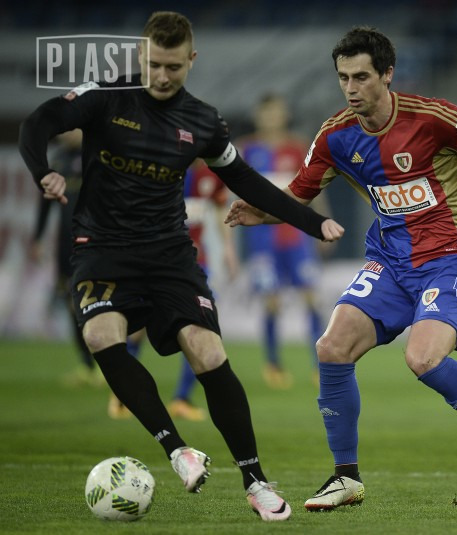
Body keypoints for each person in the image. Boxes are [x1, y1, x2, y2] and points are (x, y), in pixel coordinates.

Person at [18, 11, 343, 522]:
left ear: (191, 60)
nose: (162, 76)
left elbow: (246, 180)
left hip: (168, 253)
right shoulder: (106, 98)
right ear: (140, 56)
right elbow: (37, 123)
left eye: (173, 66)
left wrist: (311, 222)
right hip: (102, 248)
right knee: (101, 335)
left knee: (208, 352)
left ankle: (256, 482)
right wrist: (42, 171)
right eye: (153, 64)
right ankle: (177, 449)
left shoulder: (203, 121)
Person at [226, 26, 457, 511]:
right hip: (391, 261)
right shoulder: (336, 135)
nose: (351, 88)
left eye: (361, 77)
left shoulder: (432, 118)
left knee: (422, 358)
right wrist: (262, 210)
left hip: (452, 258)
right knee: (331, 347)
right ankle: (346, 478)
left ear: (387, 74)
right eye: (343, 78)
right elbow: (298, 194)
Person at [108, 160, 240, 421]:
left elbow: (218, 209)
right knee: (138, 329)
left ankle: (181, 398)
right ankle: (122, 396)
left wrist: (228, 248)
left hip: (194, 263)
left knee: (201, 326)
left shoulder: (211, 174)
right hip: (156, 259)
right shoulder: (159, 164)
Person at [237, 94, 328, 389]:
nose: (272, 118)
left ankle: (320, 366)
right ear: (258, 116)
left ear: (285, 115)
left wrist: (321, 223)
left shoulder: (298, 146)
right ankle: (273, 365)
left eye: (277, 112)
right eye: (267, 112)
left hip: (297, 236)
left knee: (311, 298)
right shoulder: (245, 149)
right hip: (263, 239)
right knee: (272, 302)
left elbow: (315, 189)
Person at [28, 129, 103, 388]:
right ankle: (87, 365)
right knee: (73, 303)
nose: (66, 132)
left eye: (72, 127)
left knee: (98, 302)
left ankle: (107, 363)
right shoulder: (58, 160)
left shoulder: (97, 155)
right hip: (65, 244)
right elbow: (45, 203)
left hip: (95, 241)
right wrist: (38, 237)